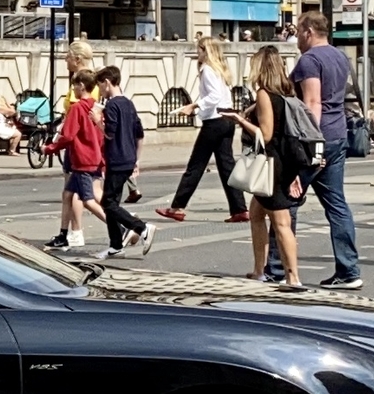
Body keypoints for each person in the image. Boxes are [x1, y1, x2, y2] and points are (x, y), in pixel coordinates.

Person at [289, 13, 363, 288]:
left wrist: (309, 144)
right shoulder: (340, 57)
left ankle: (277, 267)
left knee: (288, 199)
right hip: (338, 134)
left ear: (309, 31)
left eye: (298, 31)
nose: (296, 37)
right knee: (337, 204)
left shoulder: (309, 60)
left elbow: (312, 102)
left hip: (316, 137)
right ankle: (349, 270)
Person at [235, 47, 314, 290]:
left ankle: (293, 277)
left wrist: (240, 121)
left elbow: (266, 135)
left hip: (273, 165)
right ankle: (260, 270)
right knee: (257, 213)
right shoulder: (286, 93)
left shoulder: (263, 94)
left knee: (281, 223)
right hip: (284, 162)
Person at [154, 38, 244, 224]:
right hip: (227, 119)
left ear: (205, 51)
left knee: (196, 165)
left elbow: (213, 97)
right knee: (227, 166)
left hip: (214, 122)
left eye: (199, 49)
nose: (197, 52)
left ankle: (177, 207)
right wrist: (195, 108)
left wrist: (194, 105)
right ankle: (239, 208)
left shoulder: (207, 70)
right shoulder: (221, 70)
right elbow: (220, 97)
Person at [96, 66, 150, 256]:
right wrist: (137, 159)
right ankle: (115, 245)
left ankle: (141, 228)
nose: (100, 91)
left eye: (101, 86)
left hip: (117, 158)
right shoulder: (129, 104)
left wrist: (97, 121)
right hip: (128, 157)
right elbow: (139, 134)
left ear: (107, 83)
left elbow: (110, 134)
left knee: (109, 203)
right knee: (109, 201)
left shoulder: (111, 105)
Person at [49, 69, 105, 251]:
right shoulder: (96, 108)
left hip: (82, 159)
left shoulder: (77, 108)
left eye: (74, 85)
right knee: (67, 194)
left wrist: (50, 148)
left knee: (88, 200)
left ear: (81, 86)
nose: (73, 88)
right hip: (92, 157)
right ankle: (63, 235)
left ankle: (120, 228)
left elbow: (67, 135)